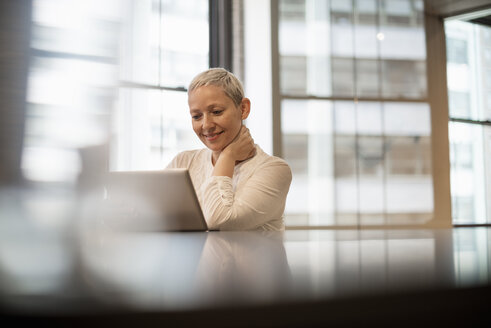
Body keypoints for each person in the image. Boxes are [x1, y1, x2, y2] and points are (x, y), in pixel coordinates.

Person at [166, 68, 292, 231]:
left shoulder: (274, 170)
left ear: (244, 109)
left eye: (216, 112)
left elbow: (219, 221)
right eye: (196, 116)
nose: (206, 125)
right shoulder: (183, 162)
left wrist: (228, 156)